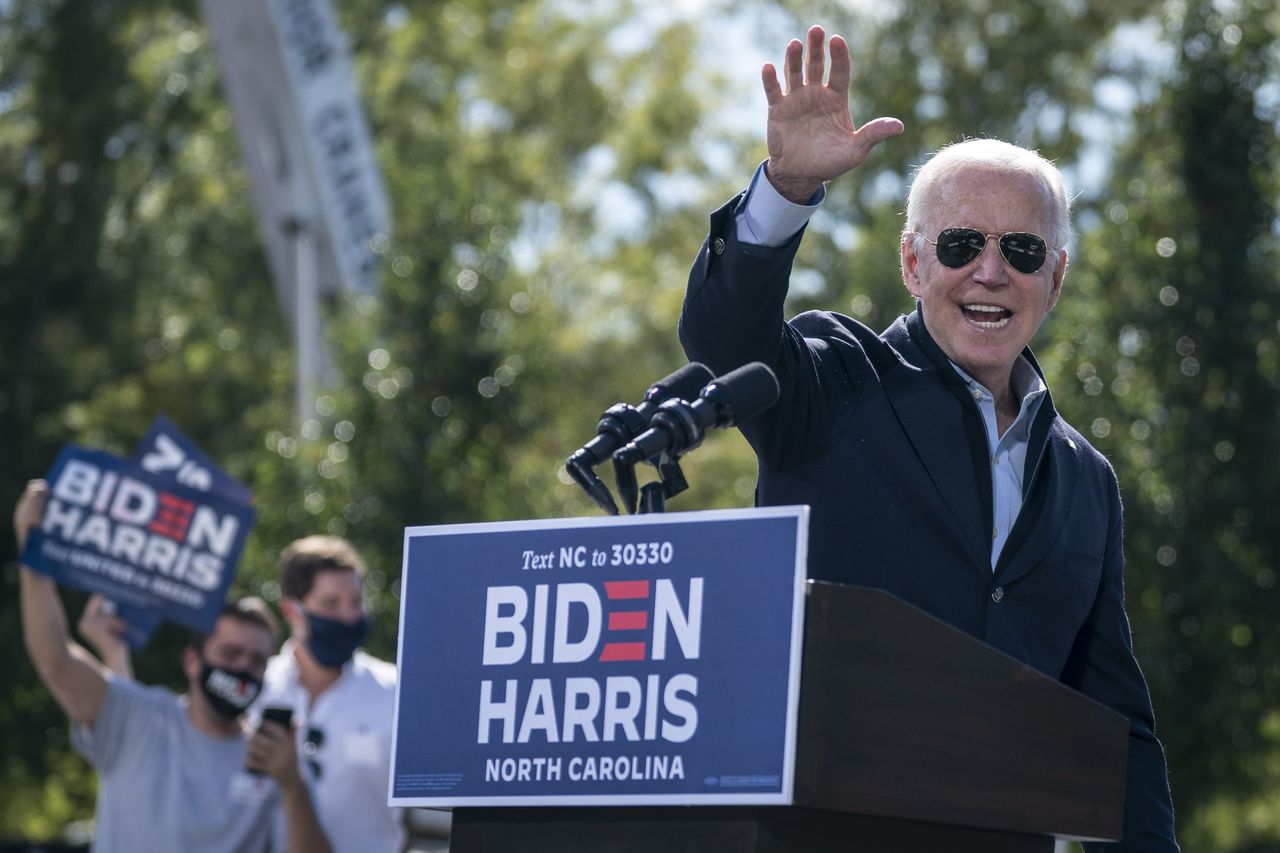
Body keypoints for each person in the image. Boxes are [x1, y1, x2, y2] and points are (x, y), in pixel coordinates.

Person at [679, 26, 1177, 851]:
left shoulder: (1087, 480)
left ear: (1055, 279)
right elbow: (724, 338)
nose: (990, 271)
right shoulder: (837, 380)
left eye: (1021, 250)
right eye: (959, 244)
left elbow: (1114, 721)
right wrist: (787, 188)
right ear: (913, 263)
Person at [13, 480, 333, 853]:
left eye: (256, 660)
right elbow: (55, 659)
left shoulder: (275, 759)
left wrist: (293, 787)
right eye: (230, 654)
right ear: (193, 661)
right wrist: (32, 550)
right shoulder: (138, 717)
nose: (243, 668)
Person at [254, 535, 405, 853]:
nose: (348, 617)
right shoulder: (256, 691)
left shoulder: (397, 694)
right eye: (330, 603)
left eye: (355, 602)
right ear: (291, 611)